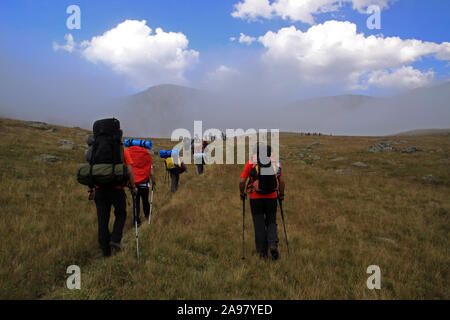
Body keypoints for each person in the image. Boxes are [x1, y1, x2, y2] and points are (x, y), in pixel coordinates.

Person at [239, 143, 285, 260]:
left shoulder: (251, 163)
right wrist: (281, 195)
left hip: (255, 198)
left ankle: (262, 253)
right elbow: (282, 181)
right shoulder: (276, 163)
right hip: (272, 197)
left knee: (258, 223)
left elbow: (242, 181)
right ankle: (273, 243)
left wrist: (242, 193)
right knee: (271, 221)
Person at [127, 145, 156, 226]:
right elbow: (151, 172)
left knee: (135, 203)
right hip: (144, 185)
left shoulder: (130, 155)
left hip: (134, 185)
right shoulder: (147, 157)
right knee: (145, 201)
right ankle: (148, 216)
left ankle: (136, 221)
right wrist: (153, 181)